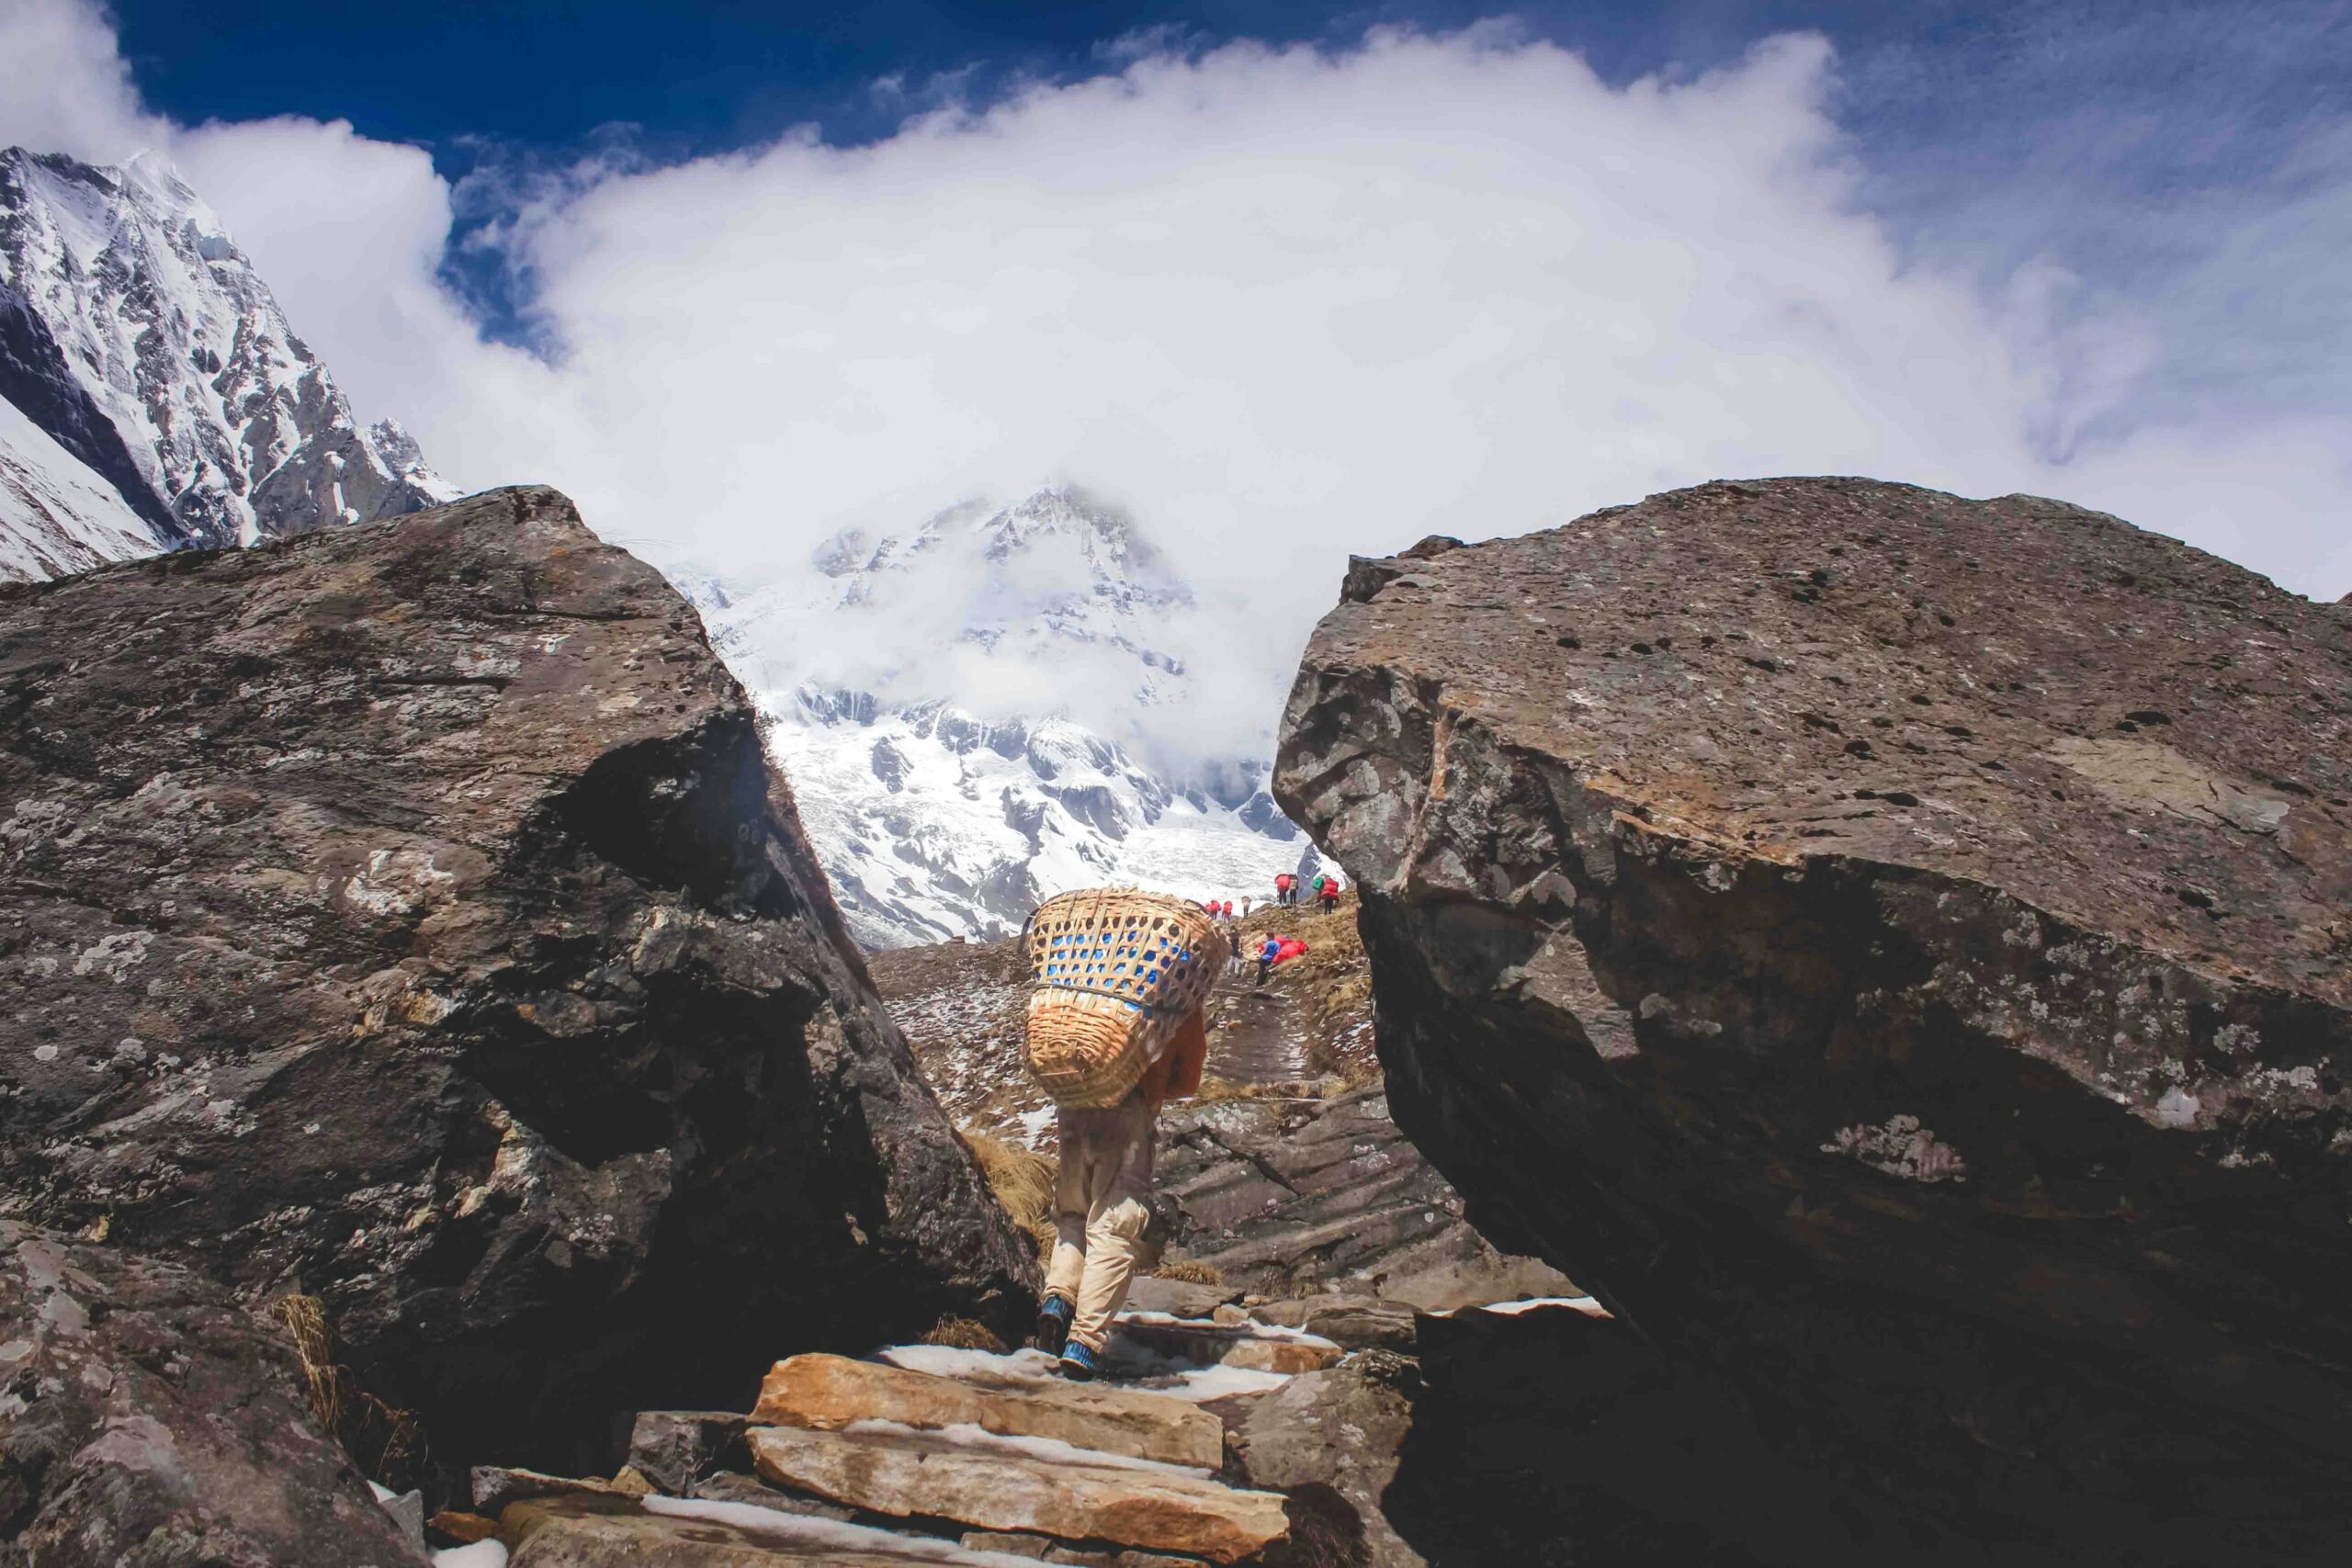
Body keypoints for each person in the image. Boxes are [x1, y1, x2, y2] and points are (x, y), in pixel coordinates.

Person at [1034, 997, 1214, 1381]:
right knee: (1116, 1222)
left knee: (1073, 1211)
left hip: (1072, 1101)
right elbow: (1188, 1081)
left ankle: (1057, 1299)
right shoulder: (1176, 986)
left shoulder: (1087, 974)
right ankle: (1084, 1341)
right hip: (1128, 1112)